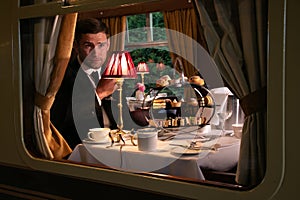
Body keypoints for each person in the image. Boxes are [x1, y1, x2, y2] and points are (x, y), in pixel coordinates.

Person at [51, 18, 118, 149]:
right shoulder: (62, 77)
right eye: (88, 45)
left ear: (108, 45)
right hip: (82, 148)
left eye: (101, 45)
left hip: (116, 145)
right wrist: (99, 94)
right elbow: (64, 122)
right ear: (76, 46)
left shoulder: (111, 72)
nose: (96, 53)